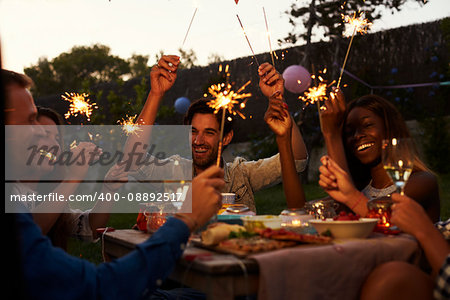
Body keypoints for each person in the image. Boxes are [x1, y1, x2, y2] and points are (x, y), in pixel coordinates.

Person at [3, 68, 224, 299]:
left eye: (55, 136)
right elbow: (102, 287)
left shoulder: (37, 194)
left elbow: (89, 228)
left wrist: (108, 188)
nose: (42, 135)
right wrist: (185, 219)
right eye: (31, 122)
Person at [126, 55, 308, 212]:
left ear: (227, 137)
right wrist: (156, 94)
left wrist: (277, 99)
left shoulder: (241, 174)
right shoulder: (174, 170)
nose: (198, 140)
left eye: (209, 132)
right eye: (193, 131)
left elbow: (297, 160)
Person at [320, 92, 440, 221]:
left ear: (389, 128)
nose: (357, 135)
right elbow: (302, 213)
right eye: (349, 132)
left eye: (367, 125)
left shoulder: (422, 182)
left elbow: (374, 218)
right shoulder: (360, 188)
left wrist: (331, 134)